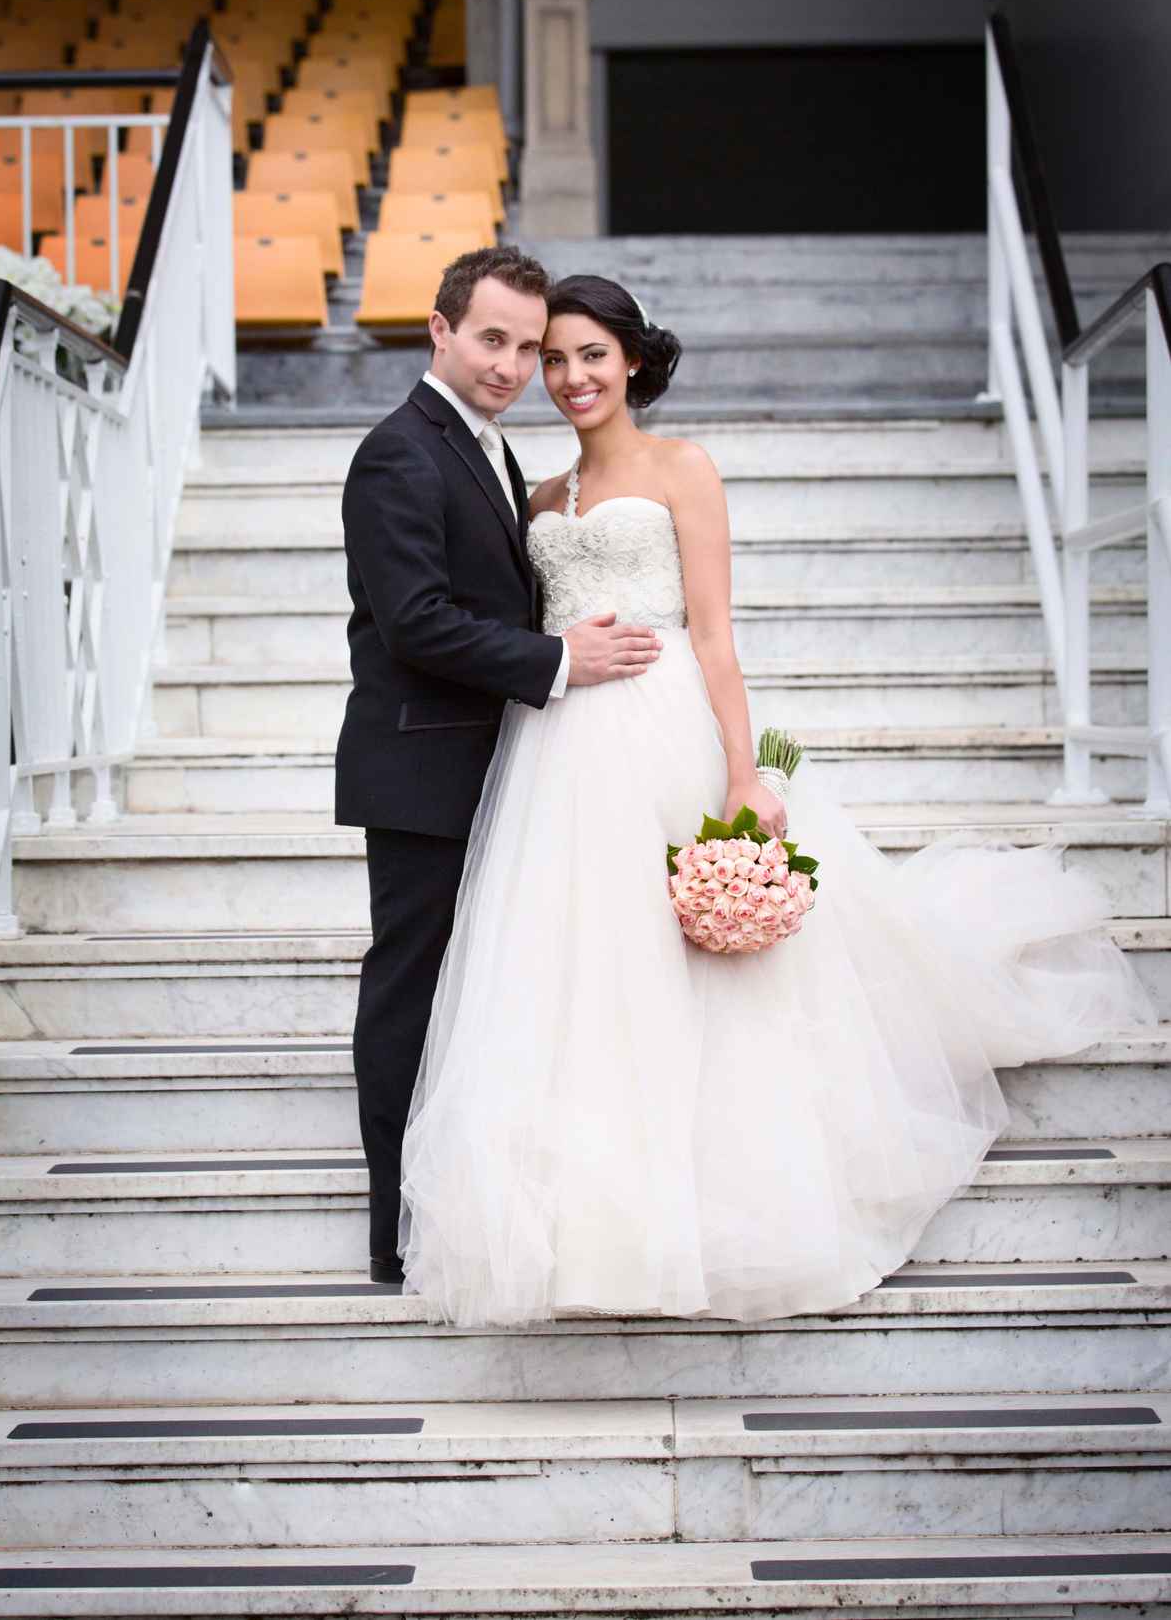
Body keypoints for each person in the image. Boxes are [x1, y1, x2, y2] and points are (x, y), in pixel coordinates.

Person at [397, 272, 1159, 1326]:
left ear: (632, 361)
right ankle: (595, 1218)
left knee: (706, 964)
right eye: (553, 358)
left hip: (663, 725)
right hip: (559, 749)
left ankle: (720, 1191)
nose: (568, 377)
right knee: (580, 966)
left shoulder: (683, 470)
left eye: (589, 356)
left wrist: (744, 772)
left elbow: (712, 634)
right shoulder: (536, 495)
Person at [336, 247, 661, 1285]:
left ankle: (463, 1206)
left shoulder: (488, 449)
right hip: (424, 772)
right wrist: (561, 659)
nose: (514, 365)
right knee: (411, 993)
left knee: (480, 996)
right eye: (493, 339)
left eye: (529, 346)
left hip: (501, 767)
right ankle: (393, 1233)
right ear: (439, 330)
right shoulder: (401, 452)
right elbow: (419, 622)